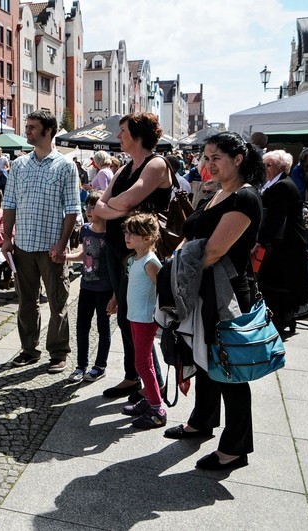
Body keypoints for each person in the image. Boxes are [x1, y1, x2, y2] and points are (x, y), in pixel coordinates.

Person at [164, 131, 264, 471]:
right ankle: (202, 420)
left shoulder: (245, 197)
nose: (209, 164)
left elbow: (215, 250)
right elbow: (191, 235)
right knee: (206, 358)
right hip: (204, 288)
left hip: (227, 294)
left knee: (229, 369)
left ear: (238, 159)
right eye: (206, 158)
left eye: (216, 158)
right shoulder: (217, 191)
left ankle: (235, 448)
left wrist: (178, 272)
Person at [93, 112, 171, 399]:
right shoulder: (125, 168)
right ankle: (133, 376)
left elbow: (124, 200)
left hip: (142, 255)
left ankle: (154, 385)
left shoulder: (156, 164)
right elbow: (98, 206)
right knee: (125, 317)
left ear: (138, 135)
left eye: (123, 131)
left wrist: (114, 206)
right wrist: (119, 208)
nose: (119, 136)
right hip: (119, 251)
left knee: (139, 318)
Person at [2, 110, 80, 373]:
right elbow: (9, 203)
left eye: (33, 127)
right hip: (23, 244)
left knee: (58, 302)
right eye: (27, 126)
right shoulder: (19, 165)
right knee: (26, 302)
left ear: (48, 131)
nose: (27, 131)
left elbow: (72, 209)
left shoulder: (65, 166)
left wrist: (62, 244)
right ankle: (28, 349)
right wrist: (7, 238)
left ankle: (58, 352)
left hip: (51, 248)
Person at [119, 213, 166, 429]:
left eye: (133, 234)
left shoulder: (150, 261)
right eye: (126, 232)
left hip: (145, 319)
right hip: (135, 317)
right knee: (144, 363)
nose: (127, 237)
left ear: (147, 238)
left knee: (143, 363)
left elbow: (163, 290)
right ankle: (149, 399)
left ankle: (157, 409)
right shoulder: (135, 259)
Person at [256, 149, 308, 334]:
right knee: (281, 281)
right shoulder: (276, 183)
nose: (265, 168)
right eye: (264, 164)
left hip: (286, 241)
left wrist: (261, 241)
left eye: (269, 165)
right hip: (283, 239)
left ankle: (282, 317)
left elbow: (276, 218)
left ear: (281, 167)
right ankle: (285, 316)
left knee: (280, 281)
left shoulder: (282, 186)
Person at [67, 191, 112, 384]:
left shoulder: (111, 234)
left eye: (93, 206)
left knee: (103, 327)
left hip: (105, 289)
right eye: (87, 206)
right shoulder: (85, 230)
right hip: (86, 286)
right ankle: (81, 365)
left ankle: (100, 365)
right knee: (82, 327)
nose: (89, 210)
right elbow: (84, 255)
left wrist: (115, 295)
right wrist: (65, 257)